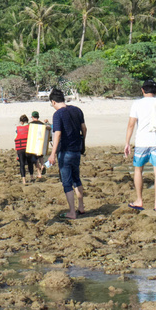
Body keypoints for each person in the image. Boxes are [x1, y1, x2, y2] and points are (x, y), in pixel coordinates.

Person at [124, 79, 156, 212]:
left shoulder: (137, 104)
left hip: (141, 142)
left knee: (138, 170)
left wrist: (127, 143)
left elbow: (131, 124)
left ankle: (139, 200)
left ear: (142, 90)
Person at [47, 88, 87, 220]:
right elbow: (84, 129)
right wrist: (83, 142)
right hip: (76, 150)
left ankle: (72, 211)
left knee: (67, 183)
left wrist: (52, 154)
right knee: (77, 179)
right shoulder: (77, 110)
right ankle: (81, 206)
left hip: (65, 151)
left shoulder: (58, 114)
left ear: (53, 102)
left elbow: (57, 133)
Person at [28, 111, 46, 179]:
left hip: (33, 143)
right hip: (40, 142)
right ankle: (42, 165)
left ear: (32, 117)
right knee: (40, 156)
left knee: (35, 160)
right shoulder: (42, 124)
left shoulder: (30, 124)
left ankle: (39, 173)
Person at [14, 114, 31, 185]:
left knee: (22, 164)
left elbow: (15, 138)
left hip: (20, 148)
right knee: (30, 162)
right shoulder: (30, 127)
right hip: (28, 147)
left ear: (21, 122)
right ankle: (32, 176)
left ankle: (24, 180)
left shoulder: (17, 128)